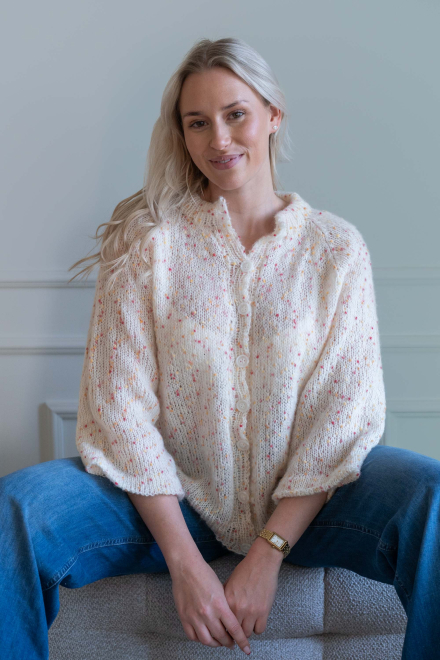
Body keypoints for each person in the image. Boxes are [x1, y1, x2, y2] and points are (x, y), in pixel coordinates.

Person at [0, 36, 439, 660]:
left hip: (314, 506)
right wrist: (185, 563)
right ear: (181, 134)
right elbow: (119, 412)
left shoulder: (335, 249)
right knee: (16, 508)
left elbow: (343, 415)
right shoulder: (147, 245)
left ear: (273, 115)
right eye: (198, 122)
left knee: (434, 496)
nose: (220, 139)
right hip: (175, 502)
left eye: (236, 114)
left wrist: (267, 553)